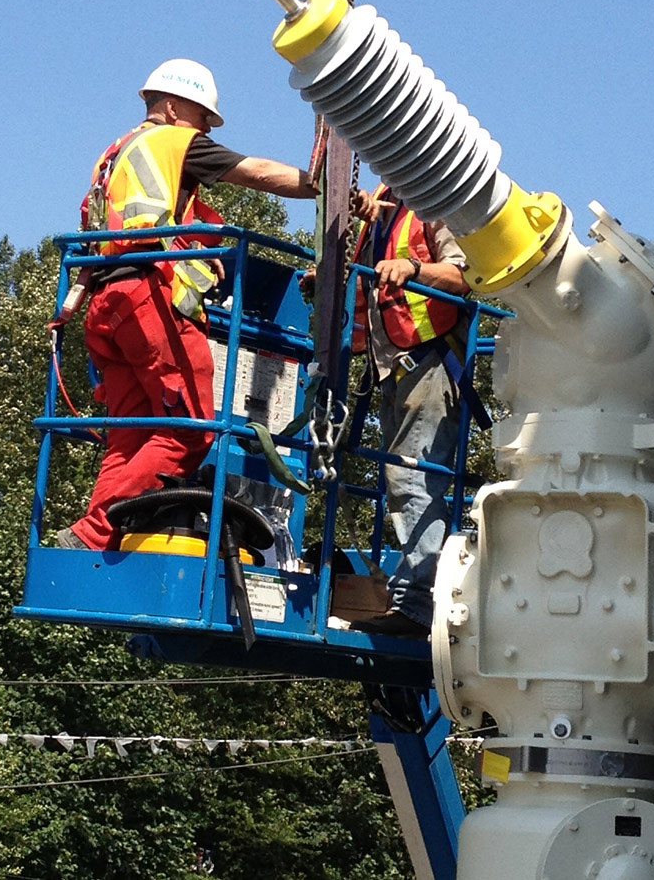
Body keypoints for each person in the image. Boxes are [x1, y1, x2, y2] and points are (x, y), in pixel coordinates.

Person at [56, 58, 316, 550]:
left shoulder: (114, 156)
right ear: (175, 108)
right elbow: (256, 172)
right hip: (148, 298)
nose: (206, 131)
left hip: (105, 303)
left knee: (131, 437)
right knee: (192, 429)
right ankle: (97, 532)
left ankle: (91, 539)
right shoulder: (172, 142)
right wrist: (321, 184)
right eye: (204, 119)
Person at [344, 184, 471, 638]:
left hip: (430, 362)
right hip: (391, 365)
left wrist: (414, 268)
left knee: (414, 477)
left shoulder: (434, 199)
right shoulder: (387, 207)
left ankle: (416, 604)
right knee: (401, 479)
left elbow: (463, 277)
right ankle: (409, 596)